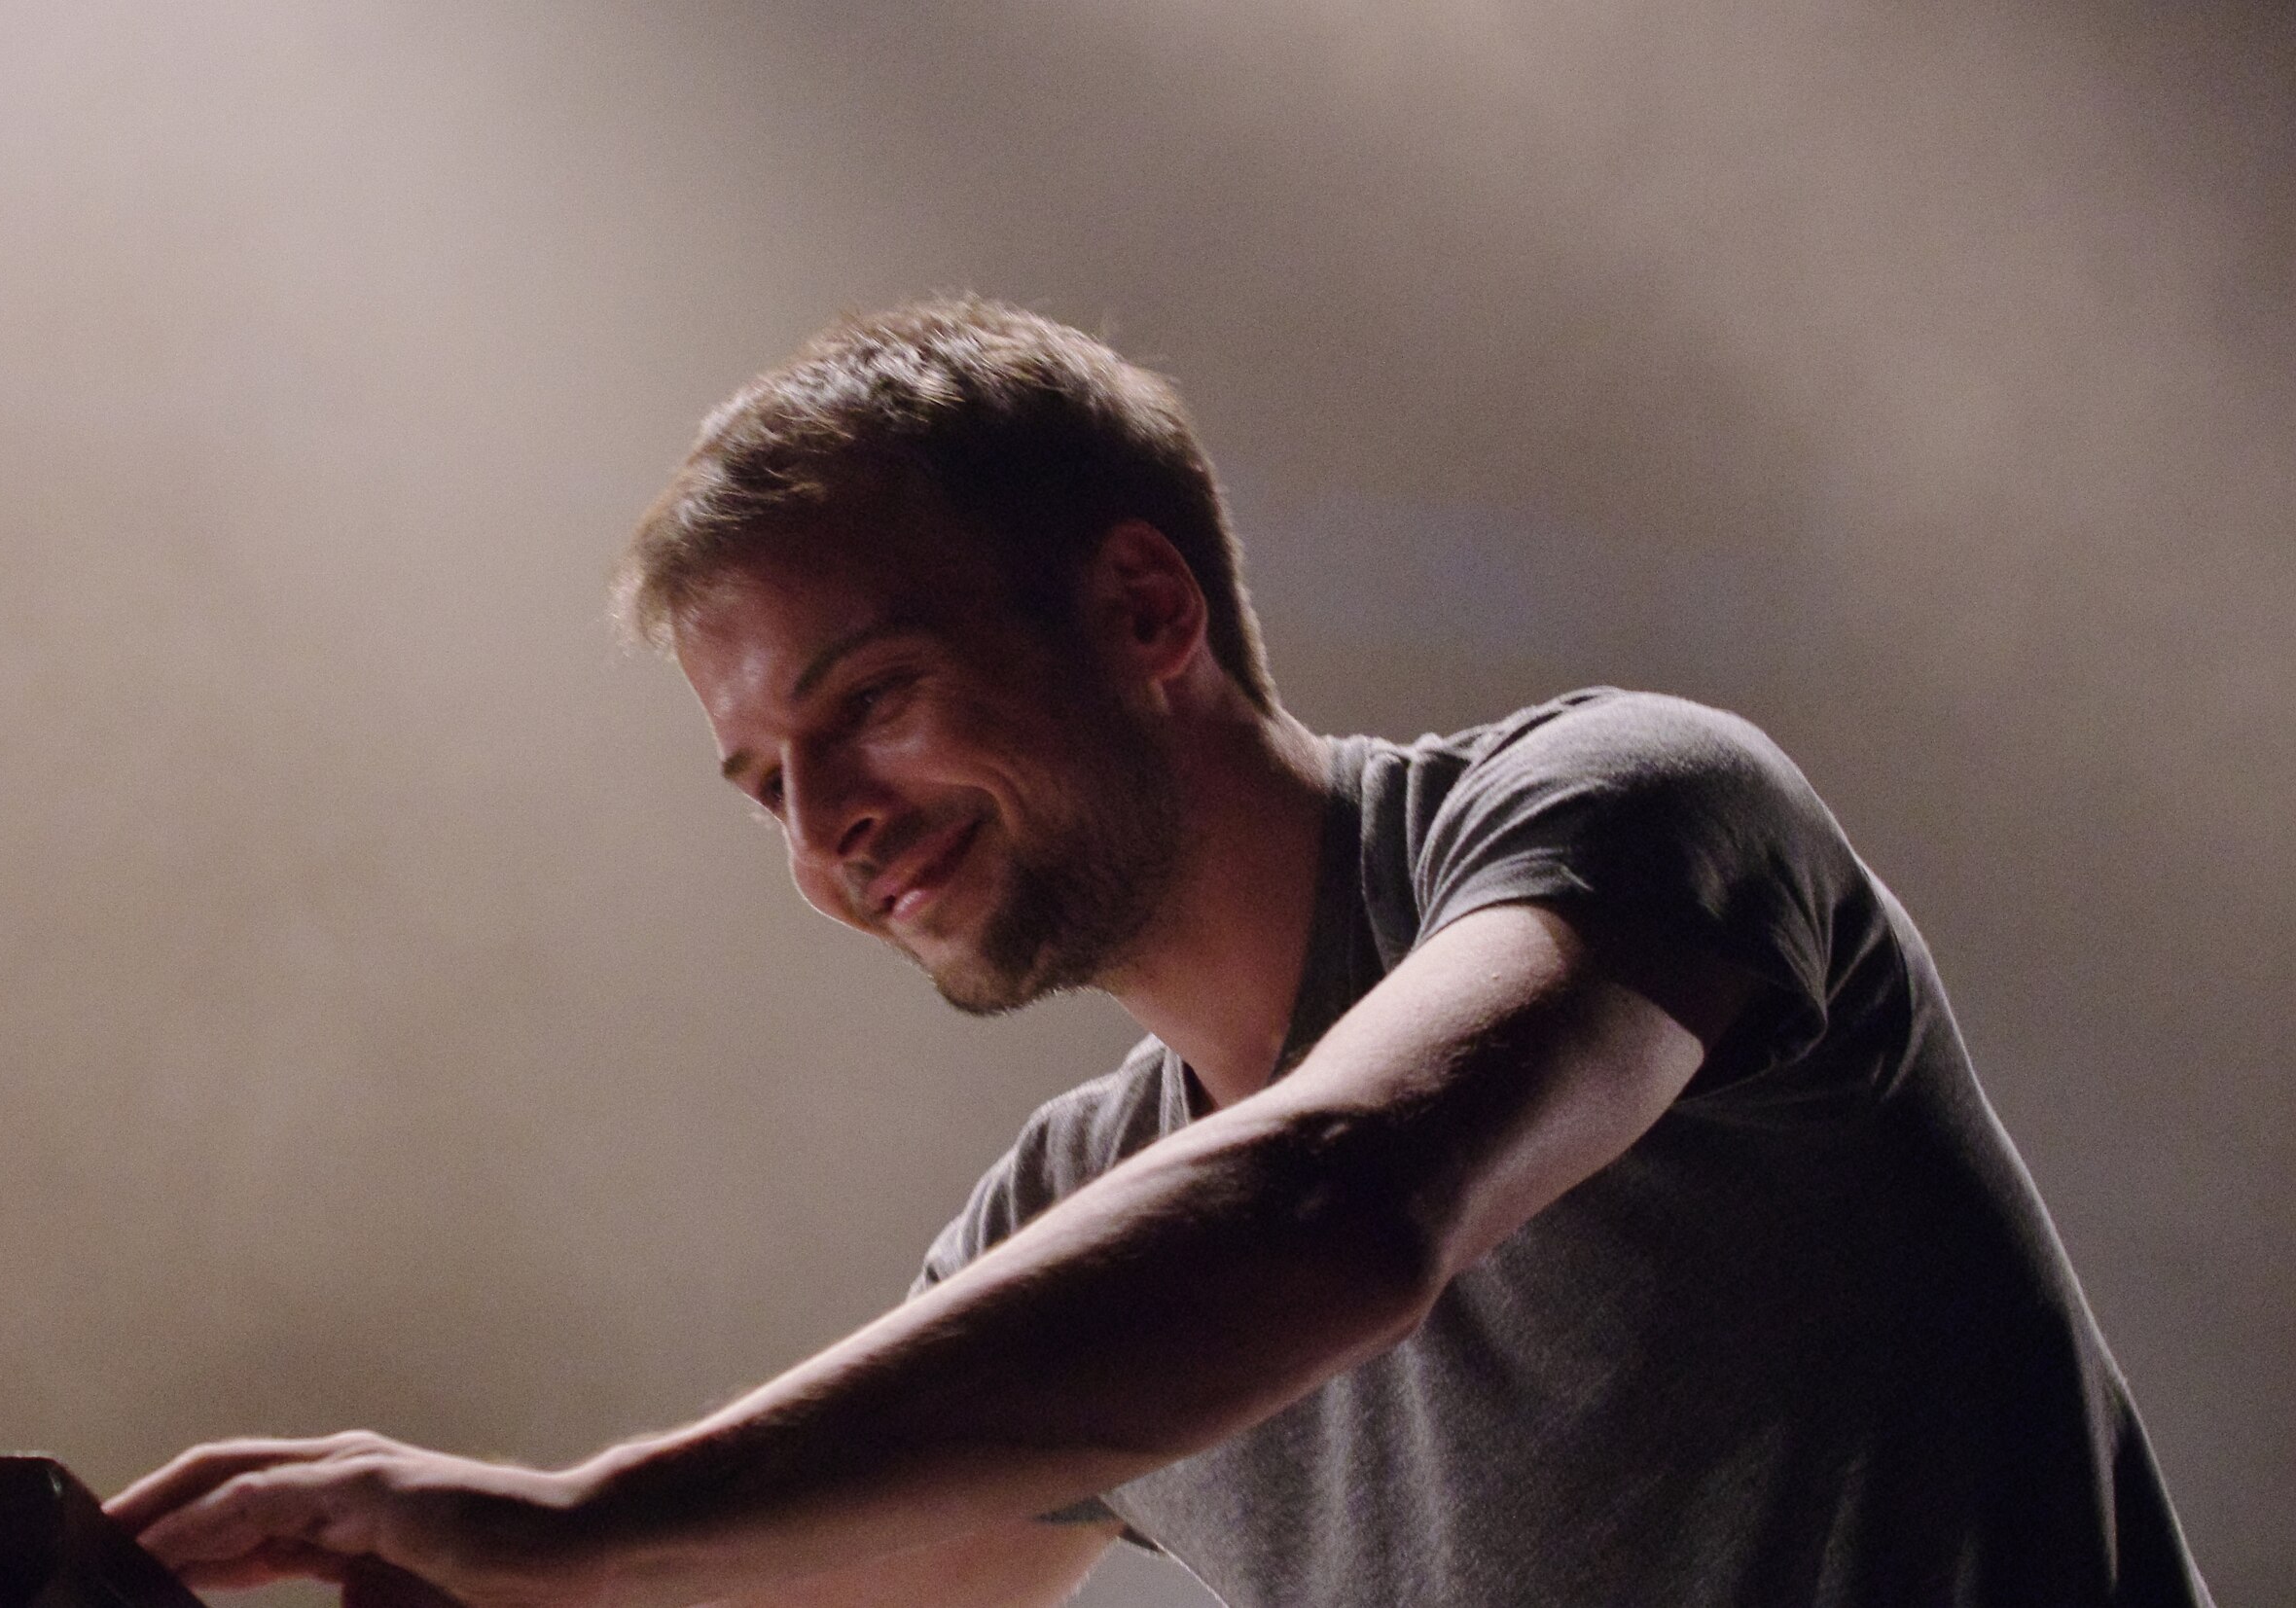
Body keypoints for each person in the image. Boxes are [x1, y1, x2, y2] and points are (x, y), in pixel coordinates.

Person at [111, 299, 2212, 1607]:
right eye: (759, 778)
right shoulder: (1064, 1233)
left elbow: (1342, 1200)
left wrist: (568, 1515)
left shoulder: (1625, 798)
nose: (826, 816)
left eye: (872, 695)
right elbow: (764, 1581)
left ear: (1138, 605)